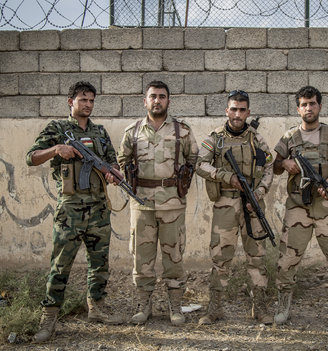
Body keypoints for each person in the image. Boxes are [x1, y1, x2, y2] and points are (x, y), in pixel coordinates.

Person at [26, 81, 122, 343]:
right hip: (69, 209)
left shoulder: (100, 132)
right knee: (60, 265)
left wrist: (113, 173)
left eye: (91, 100)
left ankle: (97, 307)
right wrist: (56, 149)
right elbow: (31, 157)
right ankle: (49, 316)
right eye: (83, 100)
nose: (88, 105)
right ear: (71, 102)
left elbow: (112, 160)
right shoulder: (57, 129)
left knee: (99, 263)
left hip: (99, 208)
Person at [273, 86, 328, 327]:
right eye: (304, 104)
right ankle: (283, 305)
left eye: (312, 103)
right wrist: (286, 162)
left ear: (319, 106)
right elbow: (276, 165)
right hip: (297, 206)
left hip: (326, 205)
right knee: (288, 258)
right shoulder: (289, 137)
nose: (308, 108)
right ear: (298, 108)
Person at [117, 80, 199, 326]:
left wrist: (183, 181)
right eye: (152, 96)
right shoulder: (132, 131)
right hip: (141, 203)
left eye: (162, 97)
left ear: (168, 101)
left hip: (172, 203)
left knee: (173, 257)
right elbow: (122, 158)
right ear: (145, 101)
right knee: (141, 258)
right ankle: (144, 305)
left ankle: (175, 306)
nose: (157, 101)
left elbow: (193, 157)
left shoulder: (181, 130)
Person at [196, 90, 275, 325]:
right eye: (233, 109)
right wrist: (225, 176)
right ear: (226, 110)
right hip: (225, 204)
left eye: (242, 110)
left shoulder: (257, 140)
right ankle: (215, 307)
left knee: (257, 256)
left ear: (248, 112)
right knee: (220, 257)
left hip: (252, 203)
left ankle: (259, 307)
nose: (238, 114)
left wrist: (258, 194)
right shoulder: (216, 138)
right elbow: (199, 164)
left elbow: (269, 168)